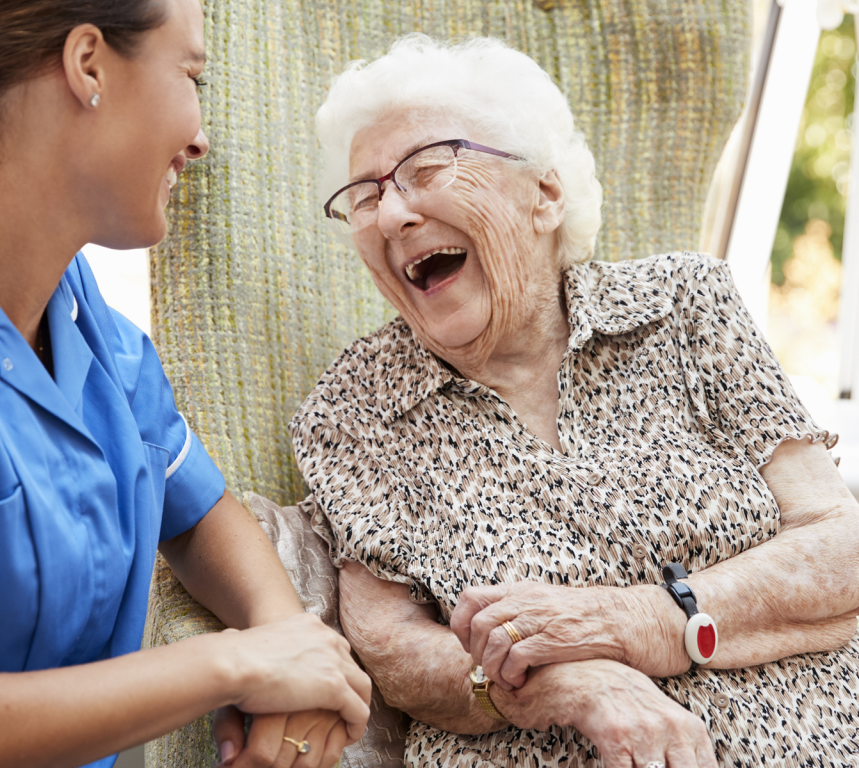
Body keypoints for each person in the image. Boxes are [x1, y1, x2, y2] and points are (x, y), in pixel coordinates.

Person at [290, 34, 859, 768]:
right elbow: (394, 652)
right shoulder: (354, 410)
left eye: (426, 168)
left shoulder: (684, 304)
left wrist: (638, 623)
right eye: (365, 196)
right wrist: (572, 683)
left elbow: (840, 545)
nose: (393, 214)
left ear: (545, 195)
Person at [0, 3, 371, 768]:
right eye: (190, 75)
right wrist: (231, 666)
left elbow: (197, 508)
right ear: (88, 64)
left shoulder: (76, 305)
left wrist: (289, 644)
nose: (200, 137)